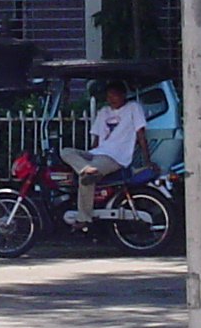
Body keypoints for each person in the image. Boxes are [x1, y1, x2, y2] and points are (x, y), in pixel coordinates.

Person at [61, 79, 147, 229]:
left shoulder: (133, 108)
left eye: (114, 96)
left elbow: (140, 135)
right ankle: (86, 168)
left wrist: (147, 160)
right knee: (66, 151)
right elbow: (96, 139)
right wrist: (88, 156)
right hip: (96, 154)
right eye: (108, 96)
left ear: (123, 95)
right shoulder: (103, 112)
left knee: (86, 179)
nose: (111, 99)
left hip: (114, 157)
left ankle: (84, 218)